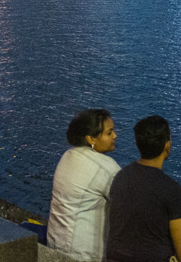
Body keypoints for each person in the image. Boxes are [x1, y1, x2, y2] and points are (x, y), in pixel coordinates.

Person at [106, 115, 181, 262]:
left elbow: (141, 236)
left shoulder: (121, 177)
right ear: (167, 145)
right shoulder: (171, 190)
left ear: (137, 143)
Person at [46, 109, 121, 262]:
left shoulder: (68, 155)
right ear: (91, 139)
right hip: (84, 255)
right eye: (109, 133)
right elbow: (128, 206)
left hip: (54, 244)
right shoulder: (106, 169)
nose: (115, 136)